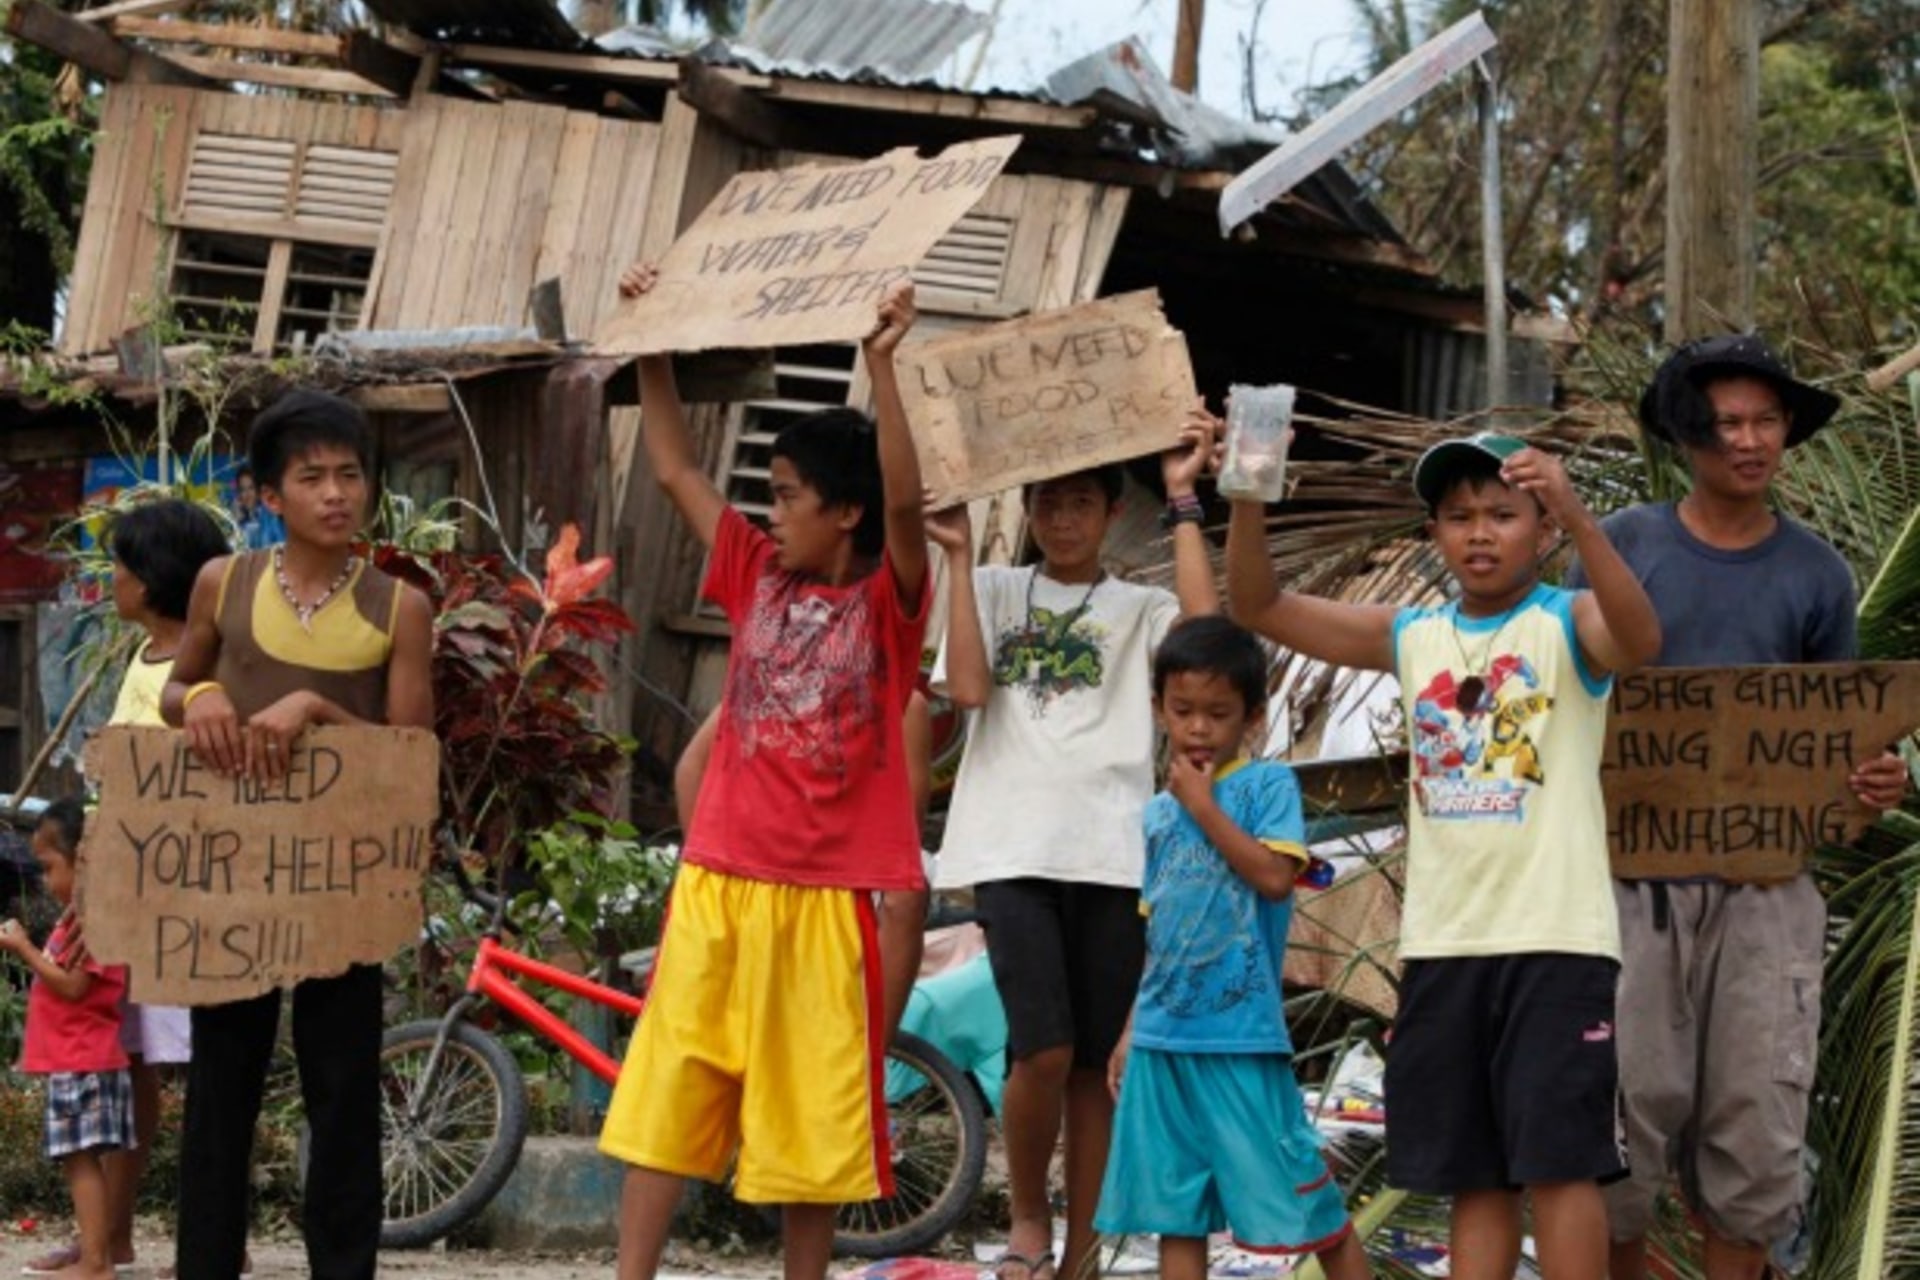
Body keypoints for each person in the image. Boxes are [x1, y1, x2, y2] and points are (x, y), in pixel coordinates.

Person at [1226, 429, 1663, 1280]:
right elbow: (1258, 606)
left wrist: (1579, 508)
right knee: (1476, 1173)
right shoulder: (1412, 633)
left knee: (1563, 1165)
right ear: (1433, 535)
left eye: (1504, 513)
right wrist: (1246, 489)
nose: (1480, 532)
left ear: (1542, 528)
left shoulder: (1566, 624)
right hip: (1441, 944)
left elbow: (1641, 635)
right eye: (1458, 516)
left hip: (1556, 941)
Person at [600, 264, 930, 1280]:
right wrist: (652, 340)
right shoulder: (752, 571)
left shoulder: (890, 604)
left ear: (844, 512)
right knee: (668, 1091)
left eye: (788, 495)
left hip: (826, 900)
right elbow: (671, 469)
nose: (769, 510)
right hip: (719, 880)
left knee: (811, 1119)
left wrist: (884, 368)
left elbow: (909, 503)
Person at [1575, 337, 1911, 1280]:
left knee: (1756, 1129)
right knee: (1618, 1124)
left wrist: (1874, 782)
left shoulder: (1819, 576)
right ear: (1689, 437)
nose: (1750, 441)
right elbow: (1564, 697)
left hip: (1769, 891)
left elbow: (1837, 738)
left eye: (1766, 421)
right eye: (1727, 423)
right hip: (1626, 888)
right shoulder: (1626, 547)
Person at [926, 409, 1219, 1280]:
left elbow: (1210, 646)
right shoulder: (989, 588)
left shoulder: (1142, 608)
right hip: (1012, 849)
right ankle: (1026, 1223)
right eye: (1048, 502)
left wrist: (1182, 495)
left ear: (1108, 514)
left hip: (1115, 852)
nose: (1063, 519)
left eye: (1081, 503)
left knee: (1093, 1066)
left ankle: (1082, 1250)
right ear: (1027, 511)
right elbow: (970, 690)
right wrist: (952, 553)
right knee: (1042, 1048)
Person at [162, 390, 436, 1280]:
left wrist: (317, 706)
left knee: (344, 1093)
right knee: (219, 1097)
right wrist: (199, 698)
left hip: (344, 885)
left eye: (350, 475)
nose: (335, 494)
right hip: (233, 879)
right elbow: (175, 686)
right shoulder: (222, 583)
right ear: (268, 495)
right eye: (311, 476)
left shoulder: (400, 608)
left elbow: (410, 758)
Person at [1095, 615, 1372, 1280]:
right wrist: (1131, 1029)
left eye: (1217, 714)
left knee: (1307, 1203)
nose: (1197, 728)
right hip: (1164, 1039)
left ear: (1251, 717)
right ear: (1159, 708)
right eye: (1183, 710)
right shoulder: (1157, 814)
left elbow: (1276, 879)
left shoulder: (1264, 787)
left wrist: (1204, 807)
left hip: (1240, 1038)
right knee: (1175, 1213)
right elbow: (1155, 932)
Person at [673, 690, 933, 1042]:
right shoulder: (774, 683)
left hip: (808, 910)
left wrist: (709, 874)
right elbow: (693, 768)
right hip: (771, 904)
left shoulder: (898, 706)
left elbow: (900, 875)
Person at [1, 800, 133, 1280]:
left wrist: (25, 950)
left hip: (84, 1057)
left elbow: (74, 985)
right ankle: (94, 1256)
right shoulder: (77, 917)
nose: (44, 880)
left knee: (80, 1162)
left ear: (85, 861)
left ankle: (96, 1263)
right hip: (76, 1057)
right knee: (78, 1160)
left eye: (49, 867)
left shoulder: (95, 919)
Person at [231, 466, 284, 550]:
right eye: (242, 489)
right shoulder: (243, 519)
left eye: (251, 488)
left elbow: (282, 546)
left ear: (258, 490)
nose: (247, 494)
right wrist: (236, 523)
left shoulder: (271, 516)